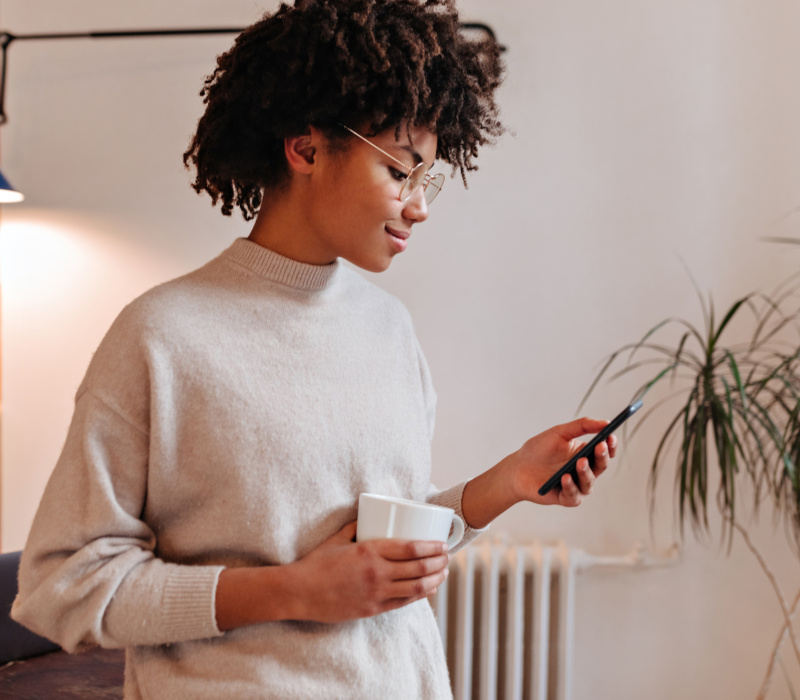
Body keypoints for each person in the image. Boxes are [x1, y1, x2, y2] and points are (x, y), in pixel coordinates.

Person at [11, 1, 617, 698]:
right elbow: (62, 586)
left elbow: (378, 549)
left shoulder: (389, 329)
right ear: (305, 149)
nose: (420, 206)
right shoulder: (162, 335)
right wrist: (289, 591)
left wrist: (506, 484)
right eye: (401, 171)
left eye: (429, 180)